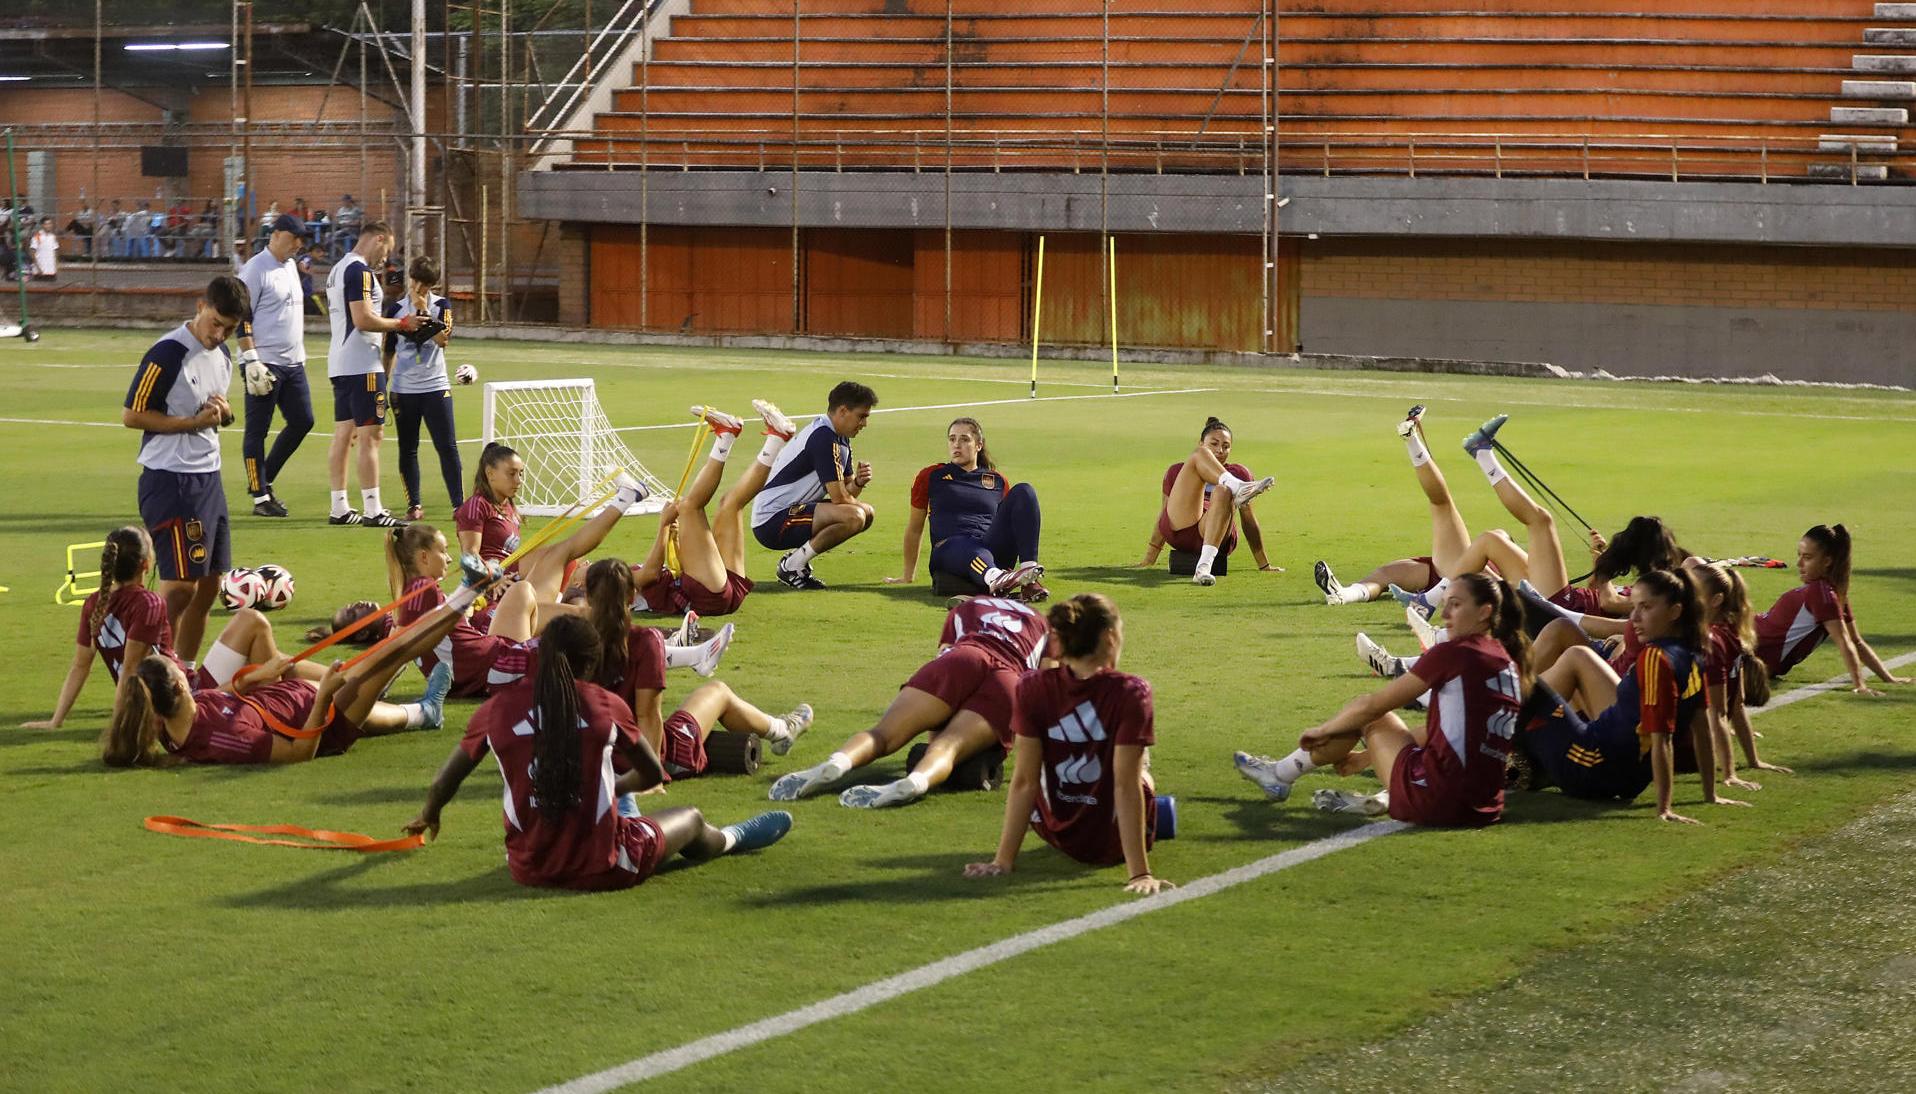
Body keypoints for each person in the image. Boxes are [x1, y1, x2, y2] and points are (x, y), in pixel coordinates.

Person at [402, 614, 794, 891]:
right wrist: (613, 789)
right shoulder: (603, 704)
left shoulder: (495, 710)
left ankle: (613, 810)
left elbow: (444, 781)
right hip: (605, 866)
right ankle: (733, 838)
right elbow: (653, 773)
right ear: (590, 664)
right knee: (690, 819)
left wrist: (427, 815)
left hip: (527, 868)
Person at [100, 563, 487, 767]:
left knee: (383, 657)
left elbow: (219, 696)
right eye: (178, 672)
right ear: (180, 688)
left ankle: (424, 710)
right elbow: (297, 754)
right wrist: (326, 697)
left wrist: (259, 676)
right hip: (328, 719)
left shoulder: (181, 719)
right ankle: (469, 590)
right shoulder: (224, 737)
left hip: (300, 695)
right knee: (392, 651)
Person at [1238, 572, 1528, 825]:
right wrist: (1366, 758)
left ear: (1484, 612)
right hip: (1484, 809)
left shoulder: (1455, 653)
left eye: (1456, 604)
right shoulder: (1510, 665)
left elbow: (1373, 707)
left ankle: (1280, 774)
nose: (1445, 614)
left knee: (1368, 713)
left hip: (1437, 799)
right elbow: (1447, 733)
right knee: (1385, 726)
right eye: (1446, 603)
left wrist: (1322, 731)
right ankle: (1375, 797)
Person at [965, 594, 1171, 894]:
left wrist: (1002, 861)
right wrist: (1139, 874)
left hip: (1055, 830)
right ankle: (1155, 814)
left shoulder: (1031, 687)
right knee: (1140, 772)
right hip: (1110, 841)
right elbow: (1125, 786)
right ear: (1110, 637)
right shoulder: (1131, 692)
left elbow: (1024, 781)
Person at [22, 526, 325, 728]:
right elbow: (129, 669)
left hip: (165, 698)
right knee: (253, 622)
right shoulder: (148, 603)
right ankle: (329, 689)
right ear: (145, 565)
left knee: (268, 656)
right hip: (190, 698)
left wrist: (56, 720)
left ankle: (339, 678)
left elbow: (80, 666)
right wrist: (121, 727)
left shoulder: (94, 602)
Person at [770, 595, 1049, 809]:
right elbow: (1047, 685)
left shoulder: (968, 607)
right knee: (947, 748)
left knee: (882, 734)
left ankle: (837, 763)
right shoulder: (1042, 623)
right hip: (1011, 677)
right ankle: (916, 781)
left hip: (965, 656)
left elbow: (946, 656)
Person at [1517, 569, 1748, 823]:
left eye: (1646, 608)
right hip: (1623, 779)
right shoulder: (1695, 655)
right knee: (1549, 677)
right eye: (1634, 607)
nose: (1635, 617)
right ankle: (1530, 763)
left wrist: (1664, 809)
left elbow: (1662, 739)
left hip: (1587, 764)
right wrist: (1710, 794)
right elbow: (1703, 730)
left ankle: (1491, 757)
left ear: (1675, 612)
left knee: (1516, 690)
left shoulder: (1655, 658)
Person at [121, 275, 248, 667]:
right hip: (170, 478)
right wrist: (191, 423)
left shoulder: (223, 357)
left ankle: (184, 675)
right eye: (215, 323)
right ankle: (140, 675)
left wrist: (223, 415)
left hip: (208, 478)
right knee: (178, 589)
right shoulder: (167, 353)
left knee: (209, 587)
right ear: (200, 307)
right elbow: (132, 415)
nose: (220, 334)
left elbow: (212, 413)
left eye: (229, 329)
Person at [632, 402, 793, 617]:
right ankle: (726, 435)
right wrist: (665, 524)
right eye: (579, 567)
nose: (585, 561)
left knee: (730, 505)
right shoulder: (602, 582)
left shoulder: (602, 578)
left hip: (714, 585)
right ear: (579, 583)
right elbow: (651, 573)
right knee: (689, 506)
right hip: (705, 596)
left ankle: (776, 439)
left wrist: (678, 539)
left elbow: (670, 571)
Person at [888, 416, 1047, 601]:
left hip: (989, 547)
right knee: (969, 547)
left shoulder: (997, 480)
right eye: (952, 439)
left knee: (1024, 491)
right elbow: (915, 528)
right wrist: (908, 575)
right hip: (949, 550)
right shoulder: (931, 476)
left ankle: (1029, 578)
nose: (957, 445)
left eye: (964, 439)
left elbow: (1013, 523)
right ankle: (996, 581)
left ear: (978, 445)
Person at [324, 221, 419, 527]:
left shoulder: (338, 268)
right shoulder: (359, 271)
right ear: (379, 239)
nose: (385, 259)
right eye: (386, 249)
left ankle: (339, 506)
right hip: (362, 363)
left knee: (344, 434)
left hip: (339, 362)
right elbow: (363, 319)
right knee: (371, 436)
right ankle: (373, 508)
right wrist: (402, 325)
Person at [750, 381, 878, 590]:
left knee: (865, 514)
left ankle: (795, 563)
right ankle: (792, 566)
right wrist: (856, 504)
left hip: (791, 512)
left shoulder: (839, 438)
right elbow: (840, 499)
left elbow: (847, 492)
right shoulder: (823, 438)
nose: (864, 424)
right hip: (772, 520)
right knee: (856, 516)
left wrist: (858, 482)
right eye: (861, 416)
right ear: (843, 411)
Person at [1753, 524, 1908, 696]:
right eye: (1800, 556)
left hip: (1746, 652)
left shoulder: (1824, 594)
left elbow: (1850, 642)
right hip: (1739, 643)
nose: (1799, 563)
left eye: (1807, 557)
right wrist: (1881, 680)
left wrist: (1865, 684)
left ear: (1827, 561)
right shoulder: (1829, 593)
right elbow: (1852, 642)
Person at [234, 213, 317, 518]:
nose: (298, 244)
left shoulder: (291, 266)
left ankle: (264, 479)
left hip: (293, 362)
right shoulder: (255, 269)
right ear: (277, 234)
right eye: (294, 237)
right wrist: (251, 359)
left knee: (303, 420)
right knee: (258, 429)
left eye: (301, 239)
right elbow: (241, 317)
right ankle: (259, 496)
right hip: (264, 361)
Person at [1135, 416, 1276, 586]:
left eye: (1226, 446)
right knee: (1198, 456)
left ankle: (1203, 568)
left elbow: (1249, 521)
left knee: (1223, 491)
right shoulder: (1178, 471)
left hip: (1216, 534)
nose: (1220, 450)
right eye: (1214, 444)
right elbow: (1165, 511)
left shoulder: (1239, 472)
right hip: (1182, 529)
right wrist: (1150, 558)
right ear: (1201, 442)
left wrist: (1264, 564)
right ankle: (1236, 487)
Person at [1695, 563, 1789, 789]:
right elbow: (1736, 707)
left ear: (1715, 601)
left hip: (1685, 747)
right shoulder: (1730, 634)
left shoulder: (1711, 642)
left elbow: (1719, 712)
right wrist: (1753, 760)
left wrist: (1729, 774)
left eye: (1693, 591)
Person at [382, 255, 460, 520]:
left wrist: (423, 309)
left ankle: (459, 505)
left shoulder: (442, 306)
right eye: (419, 284)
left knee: (447, 446)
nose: (423, 290)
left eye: (428, 286)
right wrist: (383, 386)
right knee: (408, 448)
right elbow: (389, 350)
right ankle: (414, 505)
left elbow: (442, 340)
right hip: (404, 389)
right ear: (411, 279)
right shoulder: (394, 310)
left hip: (436, 386)